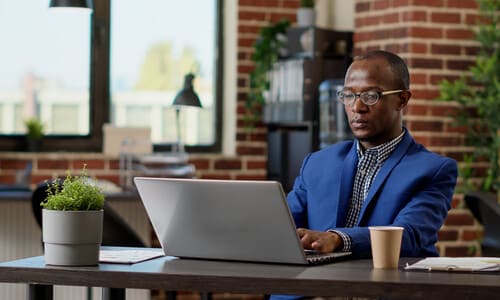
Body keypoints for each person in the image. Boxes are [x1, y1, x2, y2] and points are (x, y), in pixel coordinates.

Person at [271, 50, 458, 300]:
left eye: (371, 96)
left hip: (382, 292)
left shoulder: (432, 170)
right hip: (312, 292)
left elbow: (408, 236)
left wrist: (338, 239)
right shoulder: (317, 163)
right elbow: (282, 225)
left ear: (402, 100)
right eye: (348, 95)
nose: (357, 107)